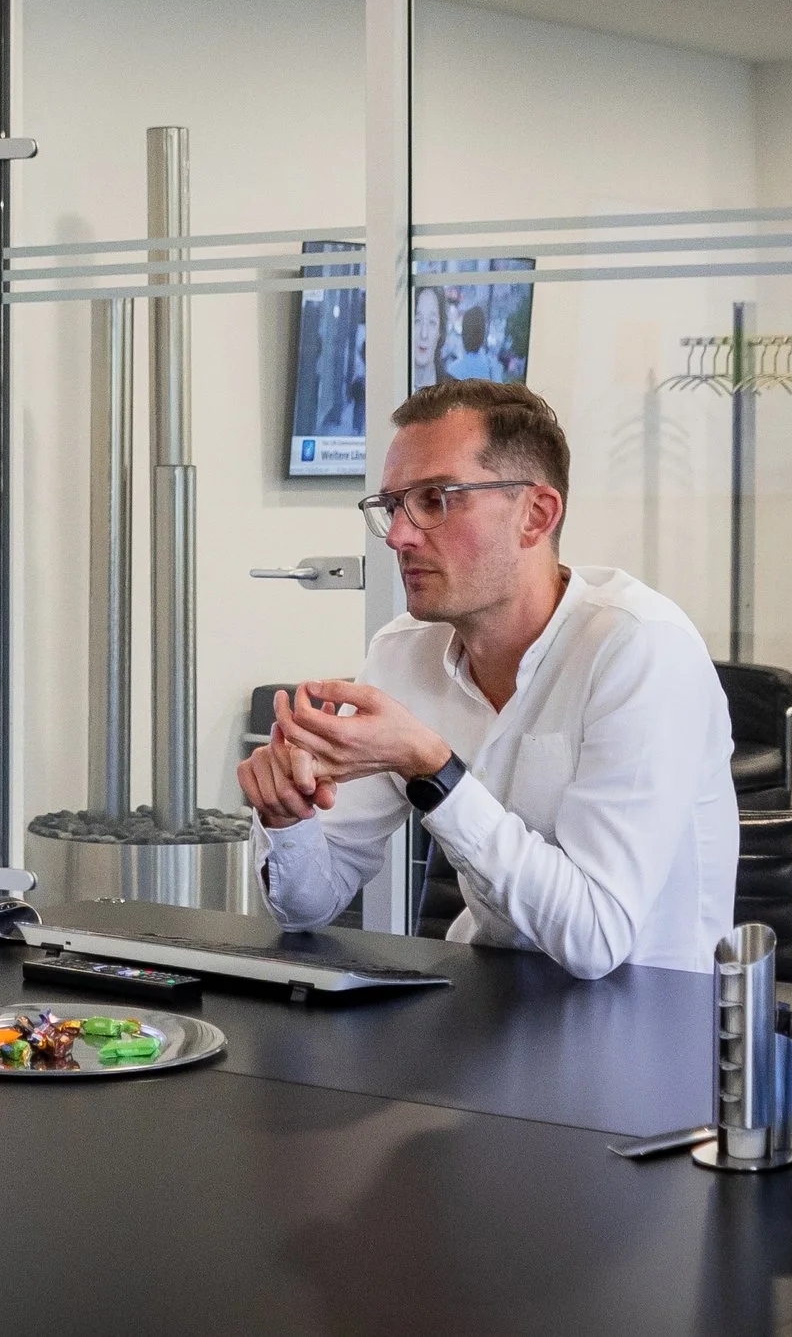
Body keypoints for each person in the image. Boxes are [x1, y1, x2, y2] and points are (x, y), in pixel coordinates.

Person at [237, 380, 735, 979]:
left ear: (536, 515)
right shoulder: (403, 653)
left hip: (651, 1012)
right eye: (393, 506)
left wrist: (433, 769)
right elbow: (308, 906)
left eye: (435, 499)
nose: (398, 535)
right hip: (487, 1000)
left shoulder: (640, 645)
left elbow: (596, 937)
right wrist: (288, 816)